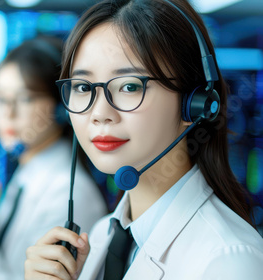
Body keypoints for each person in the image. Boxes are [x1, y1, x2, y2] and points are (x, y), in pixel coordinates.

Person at [24, 0, 263, 279]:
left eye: (129, 86)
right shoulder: (100, 236)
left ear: (195, 103)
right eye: (83, 87)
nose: (100, 114)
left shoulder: (229, 261)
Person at [0, 36, 108, 280]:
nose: (8, 112)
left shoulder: (69, 194)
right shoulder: (27, 172)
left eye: (25, 98)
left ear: (62, 106)